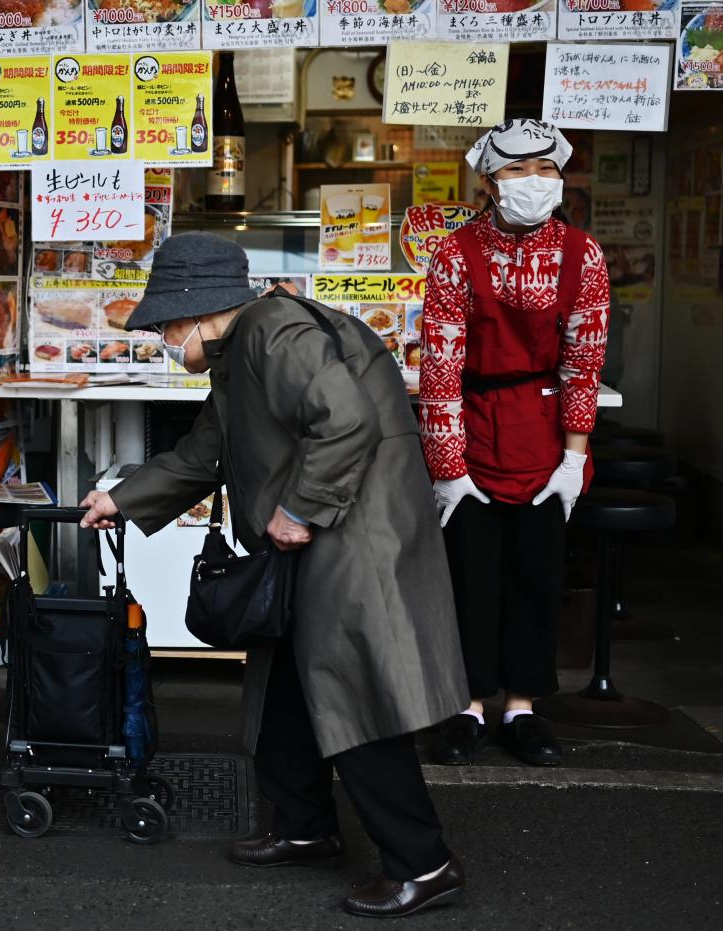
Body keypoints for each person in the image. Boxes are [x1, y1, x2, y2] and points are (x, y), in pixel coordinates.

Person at [80, 232, 469, 919]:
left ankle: (424, 862)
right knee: (291, 676)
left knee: (359, 693)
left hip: (354, 535)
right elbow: (204, 452)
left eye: (169, 323)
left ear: (201, 309)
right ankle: (305, 824)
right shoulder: (244, 347)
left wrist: (298, 508)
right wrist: (122, 498)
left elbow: (344, 420)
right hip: (332, 534)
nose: (167, 338)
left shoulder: (275, 333)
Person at [419, 120, 611, 767]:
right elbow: (439, 370)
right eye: (516, 170)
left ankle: (522, 708)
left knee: (535, 573)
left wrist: (574, 459)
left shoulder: (583, 256)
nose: (533, 182)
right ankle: (468, 705)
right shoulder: (454, 254)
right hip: (471, 427)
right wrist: (448, 468)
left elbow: (583, 363)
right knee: (469, 576)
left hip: (544, 431)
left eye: (544, 169)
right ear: (488, 181)